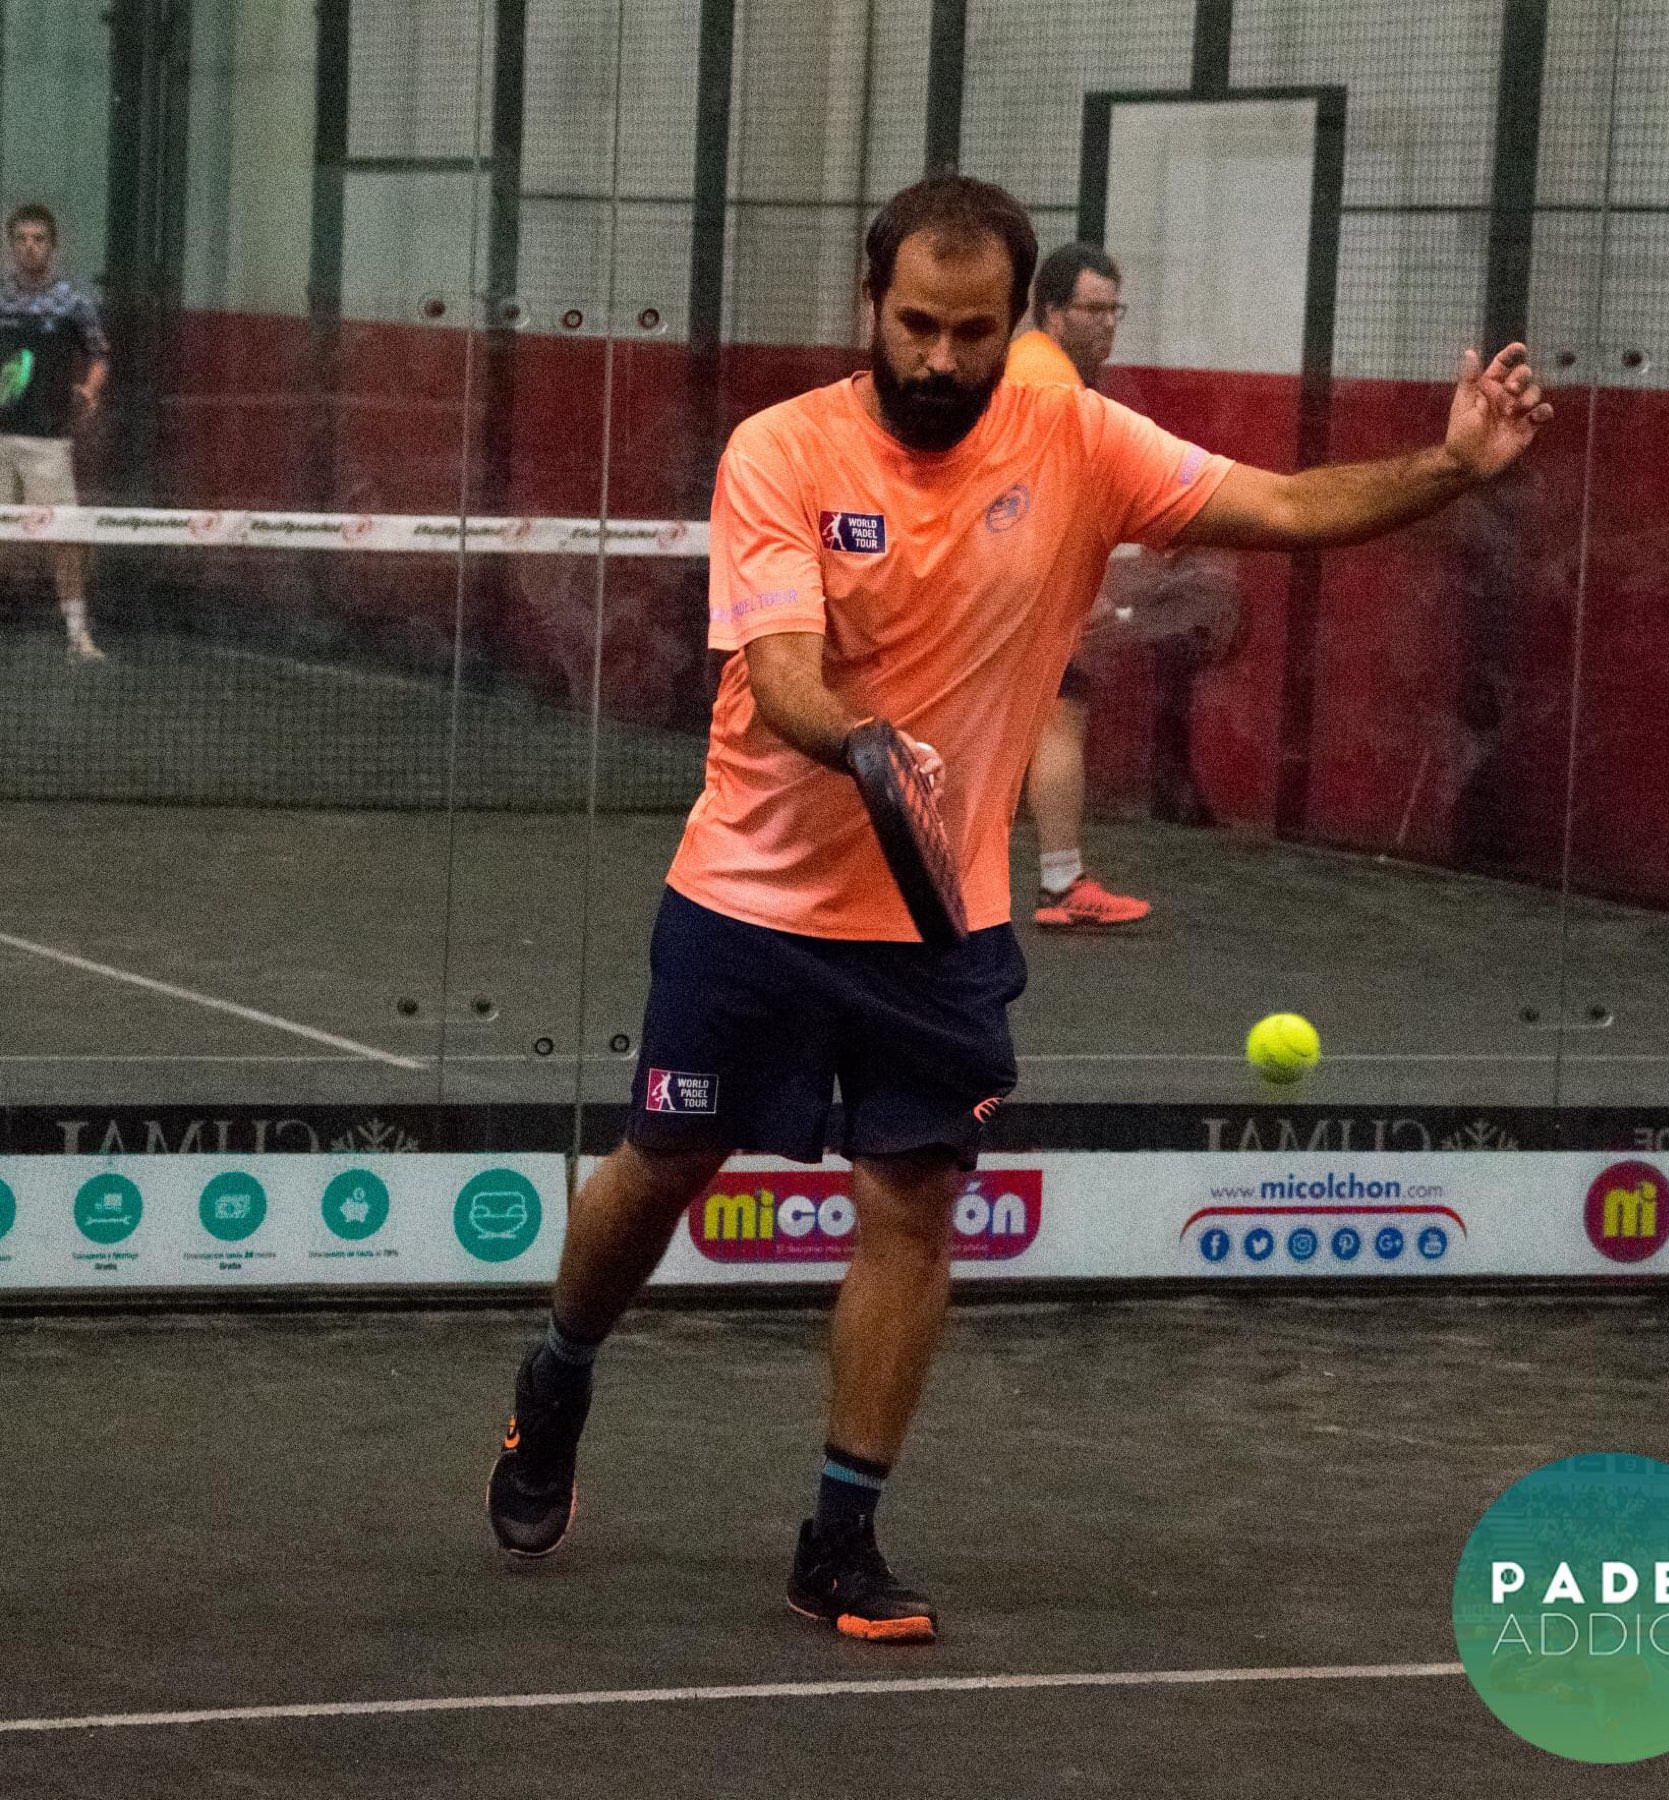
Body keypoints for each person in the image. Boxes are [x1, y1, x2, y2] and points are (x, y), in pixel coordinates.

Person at [484, 175, 1551, 1642]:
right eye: (916, 325)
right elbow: (780, 672)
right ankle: (557, 1374)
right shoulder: (780, 451)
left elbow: (1289, 504)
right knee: (665, 1164)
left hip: (940, 922)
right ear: (872, 304)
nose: (939, 358)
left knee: (910, 1205)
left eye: (971, 332)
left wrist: (1452, 464)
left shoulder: (1078, 440)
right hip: (750, 899)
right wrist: (863, 745)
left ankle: (839, 1541)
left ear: (1013, 325)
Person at [1007, 242, 1151, 928]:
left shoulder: (1040, 369)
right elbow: (1037, 491)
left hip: (1008, 579)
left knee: (1050, 714)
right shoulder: (1048, 380)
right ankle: (1061, 885)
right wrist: (1074, 589)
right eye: (1092, 310)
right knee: (1059, 713)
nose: (1107, 324)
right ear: (1052, 311)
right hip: (1018, 582)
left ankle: (1061, 883)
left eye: (1114, 310)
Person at [0, 203, 108, 662]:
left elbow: (99, 355)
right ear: (11, 245)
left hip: (48, 441)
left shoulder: (72, 302)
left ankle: (78, 636)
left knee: (66, 536)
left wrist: (89, 390)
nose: (30, 247)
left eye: (38, 239)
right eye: (21, 239)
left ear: (52, 246)